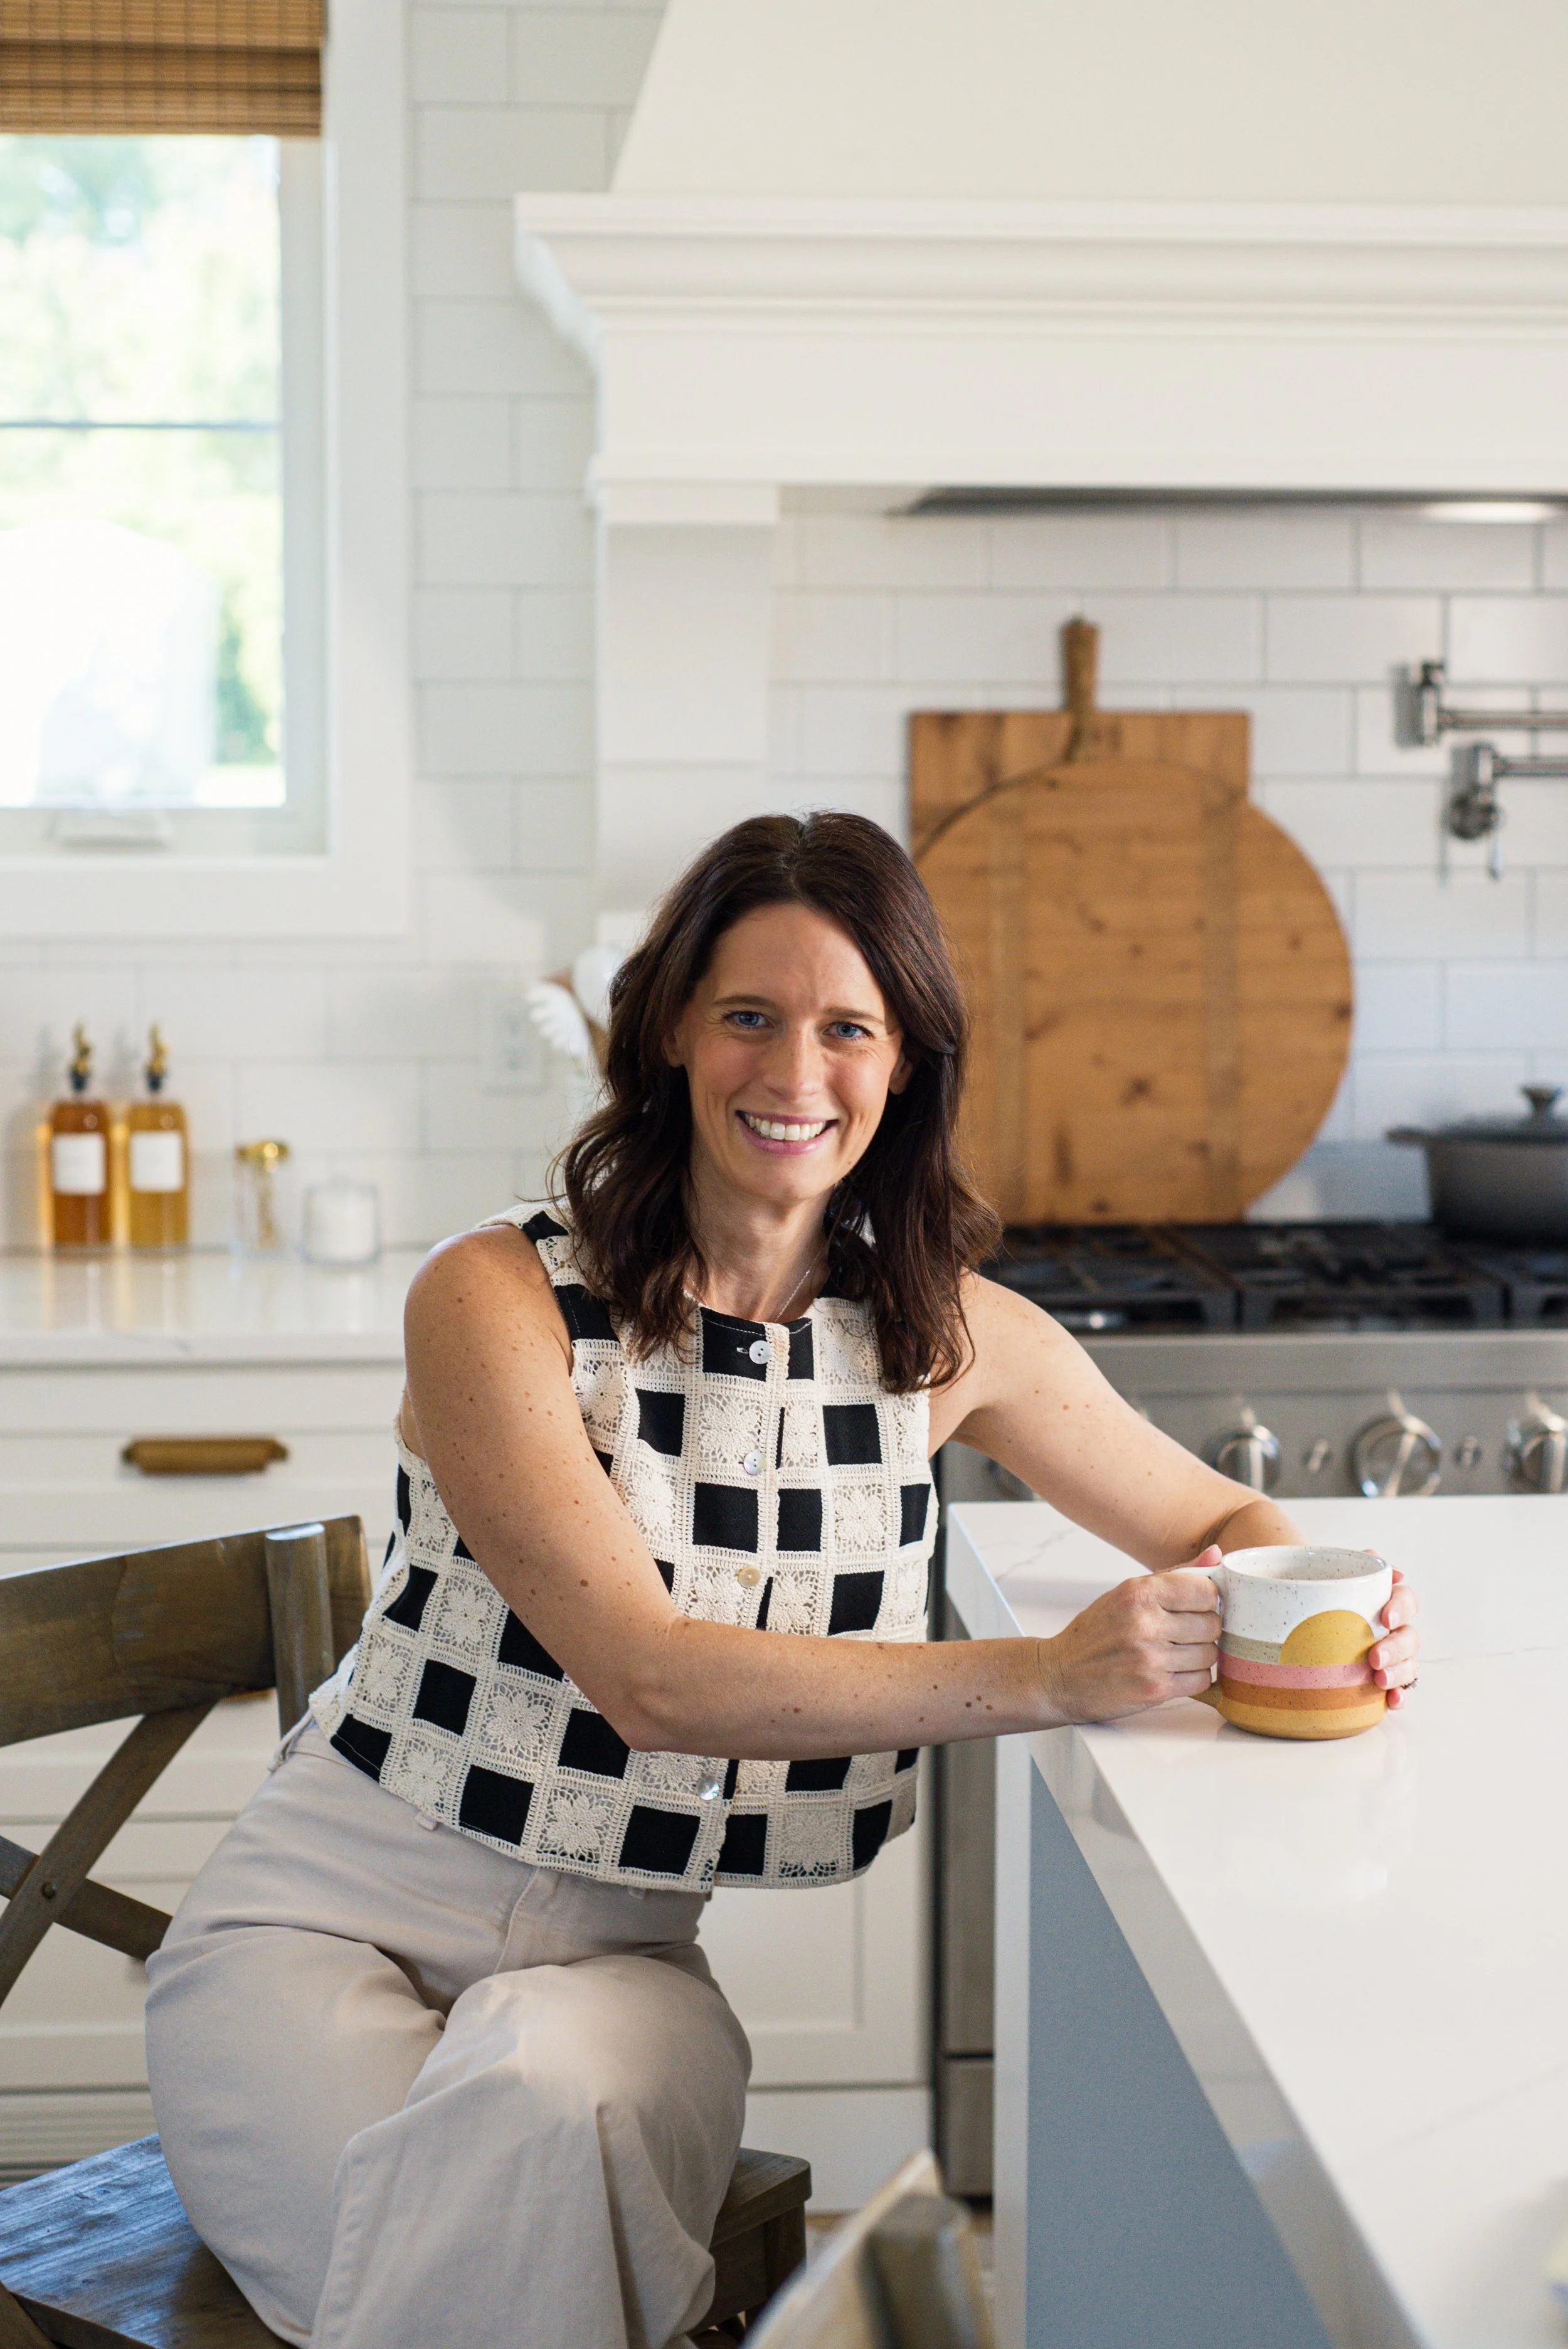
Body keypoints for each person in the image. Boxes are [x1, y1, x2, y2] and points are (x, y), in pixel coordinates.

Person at [146, 812, 1418, 2349]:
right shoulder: (497, 1299)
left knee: (541, 2113)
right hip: (319, 1927)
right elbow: (651, 1679)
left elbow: (1219, 1513)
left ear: (904, 1065)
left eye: (846, 1029)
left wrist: (1324, 1609)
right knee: (509, 2203)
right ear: (674, 1026)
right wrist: (1044, 1675)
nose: (794, 1075)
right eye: (749, 1015)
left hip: (620, 1968)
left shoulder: (946, 1334)